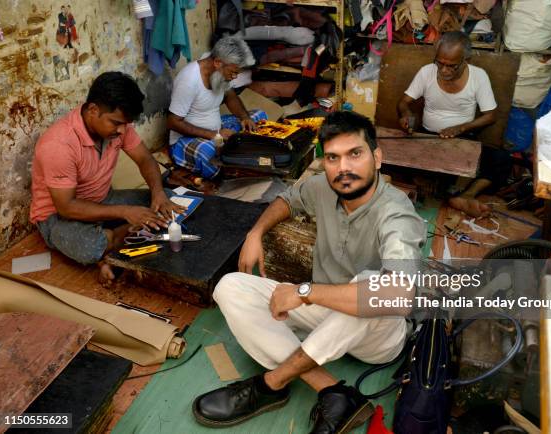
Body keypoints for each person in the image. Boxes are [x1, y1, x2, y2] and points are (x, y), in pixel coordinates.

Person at [192, 111, 426, 433]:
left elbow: (397, 296)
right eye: (333, 158)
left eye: (354, 154)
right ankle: (333, 392)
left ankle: (270, 384)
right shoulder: (323, 188)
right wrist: (255, 234)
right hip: (325, 312)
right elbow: (287, 200)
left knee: (369, 287)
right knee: (230, 286)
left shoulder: (397, 213)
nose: (343, 168)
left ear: (377, 157)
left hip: (378, 336)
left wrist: (304, 292)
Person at [30, 71, 185, 285]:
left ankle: (115, 239)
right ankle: (117, 238)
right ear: (93, 110)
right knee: (90, 247)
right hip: (57, 216)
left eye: (126, 124)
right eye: (116, 123)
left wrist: (158, 194)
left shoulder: (119, 127)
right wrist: (125, 212)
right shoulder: (58, 145)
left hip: (103, 199)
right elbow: (66, 207)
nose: (122, 130)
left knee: (166, 200)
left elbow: (145, 160)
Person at [397, 31, 511, 217]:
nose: (443, 70)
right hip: (428, 137)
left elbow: (491, 116)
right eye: (440, 63)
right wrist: (406, 114)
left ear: (467, 60)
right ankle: (443, 187)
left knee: (502, 160)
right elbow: (403, 102)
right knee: (388, 152)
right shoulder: (427, 72)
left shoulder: (478, 77)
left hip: (462, 139)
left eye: (451, 66)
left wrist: (461, 128)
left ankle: (466, 195)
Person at [167, 36, 267, 179]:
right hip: (187, 139)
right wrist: (212, 135)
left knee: (259, 117)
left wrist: (244, 118)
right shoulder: (189, 80)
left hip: (218, 128)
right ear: (218, 62)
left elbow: (230, 96)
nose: (234, 77)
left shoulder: (220, 73)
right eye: (233, 72)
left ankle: (237, 156)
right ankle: (230, 173)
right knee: (210, 154)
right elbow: (172, 122)